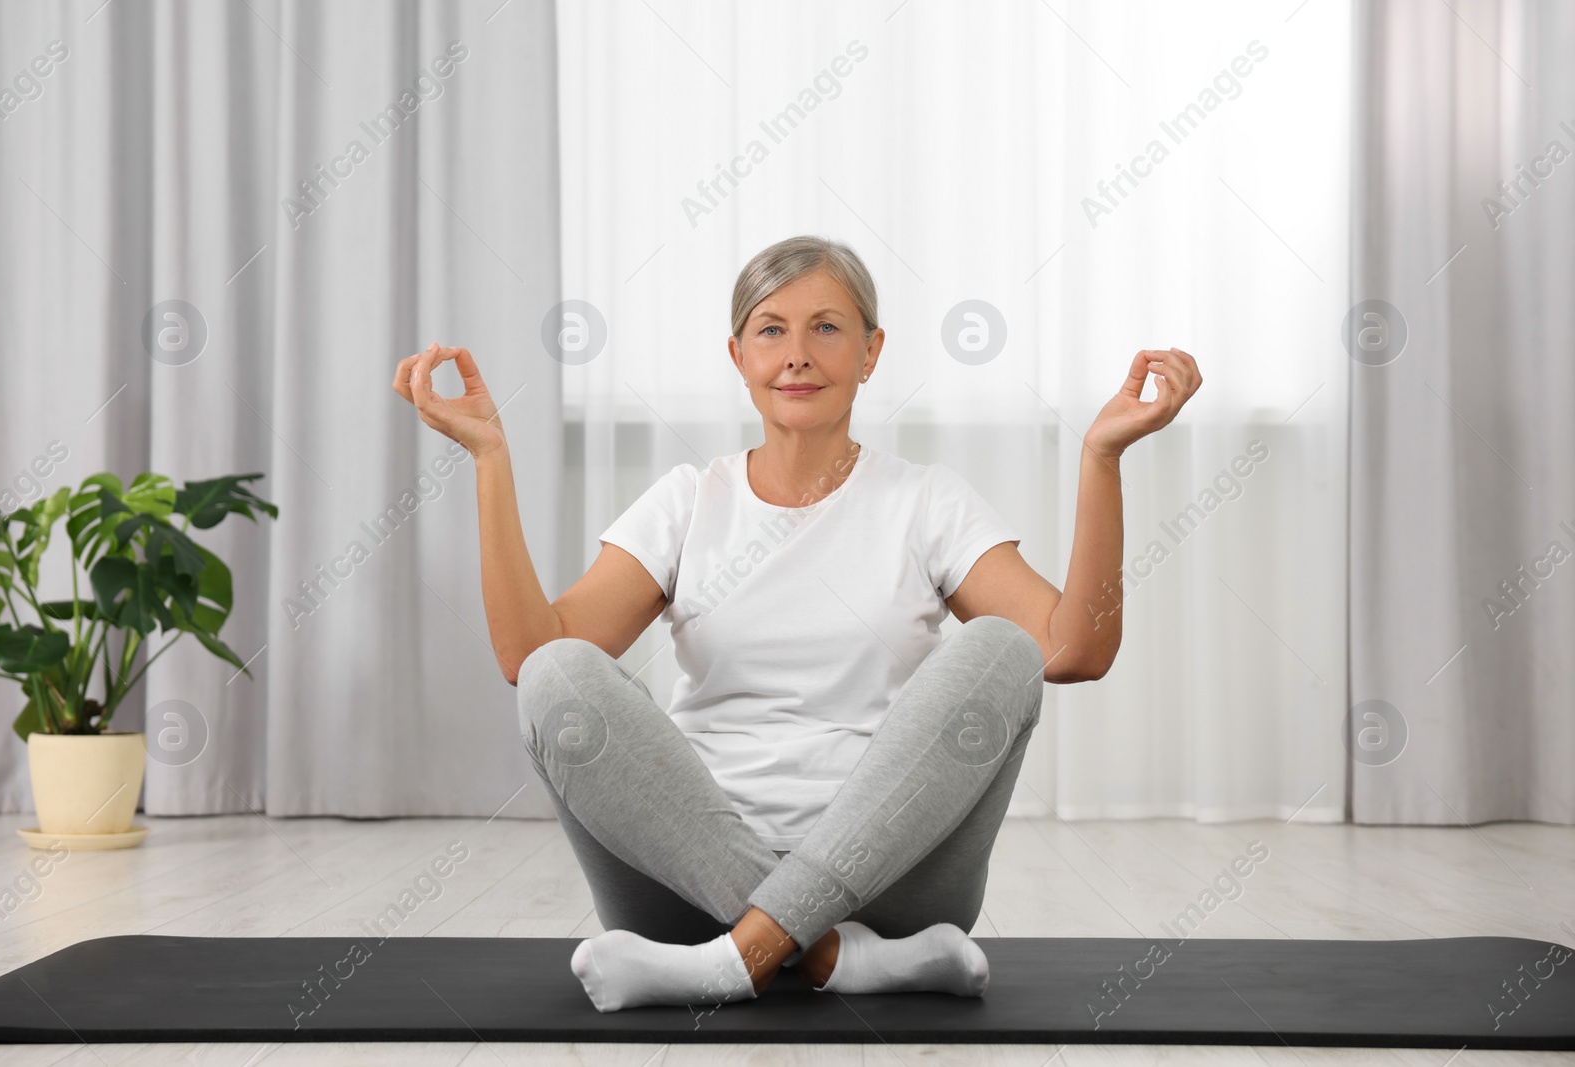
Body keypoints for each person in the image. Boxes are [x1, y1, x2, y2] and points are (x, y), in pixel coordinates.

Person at [393, 234, 1201, 1013]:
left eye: (827, 328)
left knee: (1000, 648)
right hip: (684, 890)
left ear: (872, 351)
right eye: (772, 330)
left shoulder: (926, 501)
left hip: (892, 887)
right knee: (555, 675)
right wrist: (490, 461)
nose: (798, 354)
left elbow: (1074, 649)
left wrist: (1102, 460)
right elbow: (532, 654)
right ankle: (828, 956)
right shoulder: (688, 500)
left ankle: (737, 959)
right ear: (739, 354)